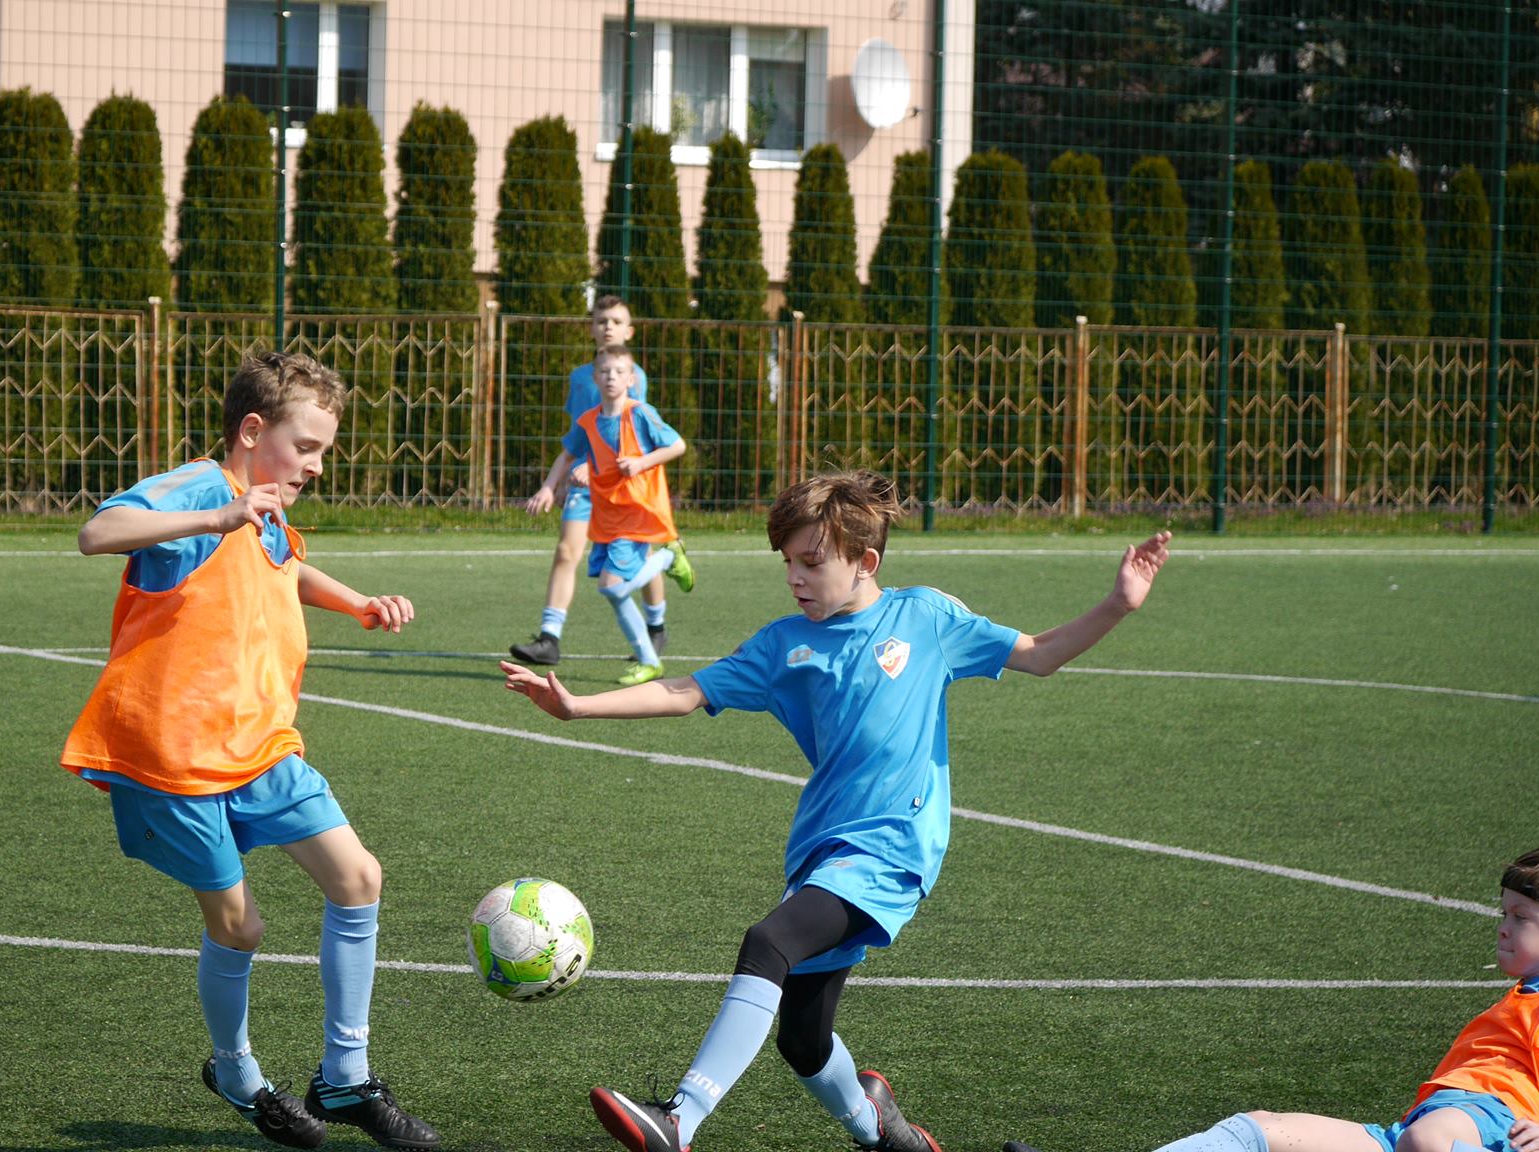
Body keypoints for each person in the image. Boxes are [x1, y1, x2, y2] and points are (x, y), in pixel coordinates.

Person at [499, 470, 1172, 1152]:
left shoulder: (925, 619)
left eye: (812, 562)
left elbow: (1040, 653)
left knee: (770, 943)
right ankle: (883, 1131)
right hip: (823, 850)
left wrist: (1119, 603)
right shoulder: (783, 644)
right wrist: (577, 706)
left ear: (865, 562)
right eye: (788, 561)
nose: (795, 576)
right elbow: (683, 690)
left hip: (893, 849)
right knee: (802, 1037)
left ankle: (680, 1119)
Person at [61, 352, 439, 1151]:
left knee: (358, 876)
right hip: (175, 756)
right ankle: (235, 1072)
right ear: (253, 430)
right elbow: (100, 531)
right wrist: (214, 516)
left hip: (262, 745)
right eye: (306, 447)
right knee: (240, 929)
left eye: (325, 452)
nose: (316, 465)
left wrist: (360, 603)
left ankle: (344, 1078)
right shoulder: (202, 490)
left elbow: (283, 566)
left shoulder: (264, 511)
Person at [1005, 840, 1539, 1152]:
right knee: (1258, 1129)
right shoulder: (1525, 994)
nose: (1503, 925)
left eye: (1521, 917)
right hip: (1413, 1132)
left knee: (1428, 1141)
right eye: (1505, 911)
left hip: (1483, 1129)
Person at [509, 294, 671, 667]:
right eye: (601, 320)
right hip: (586, 484)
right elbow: (578, 436)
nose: (608, 326)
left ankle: (656, 626)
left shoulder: (634, 377)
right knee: (567, 551)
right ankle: (550, 638)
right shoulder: (580, 378)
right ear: (592, 327)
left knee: (640, 554)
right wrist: (554, 482)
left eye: (616, 320)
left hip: (623, 484)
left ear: (628, 330)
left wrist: (604, 468)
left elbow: (632, 434)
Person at [521, 342, 694, 687]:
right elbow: (568, 455)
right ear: (595, 379)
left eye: (618, 372)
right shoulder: (588, 422)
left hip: (638, 513)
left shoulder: (640, 413)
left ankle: (665, 559)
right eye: (604, 372)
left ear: (631, 378)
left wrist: (642, 462)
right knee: (612, 593)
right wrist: (549, 487)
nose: (611, 377)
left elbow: (677, 445)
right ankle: (648, 660)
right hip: (606, 515)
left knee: (612, 588)